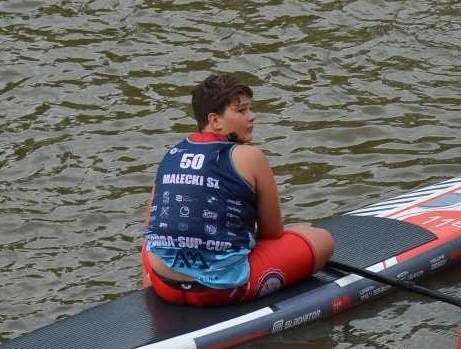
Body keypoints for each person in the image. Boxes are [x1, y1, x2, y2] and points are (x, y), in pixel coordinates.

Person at [140, 73, 335, 305]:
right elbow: (272, 232)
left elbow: (150, 226)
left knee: (151, 244)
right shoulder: (250, 156)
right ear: (215, 120)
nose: (252, 116)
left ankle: (152, 305)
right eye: (242, 110)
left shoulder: (171, 154)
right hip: (220, 291)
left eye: (251, 109)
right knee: (322, 239)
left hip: (164, 285)